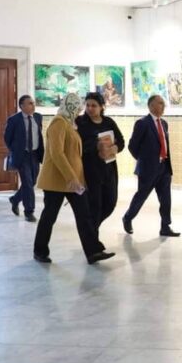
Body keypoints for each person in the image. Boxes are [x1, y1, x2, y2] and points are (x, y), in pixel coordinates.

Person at [33, 93, 115, 265]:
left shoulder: (71, 124)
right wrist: (71, 177)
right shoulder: (58, 123)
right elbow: (57, 153)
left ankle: (93, 252)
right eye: (77, 108)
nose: (79, 111)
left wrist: (78, 178)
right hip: (57, 181)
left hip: (74, 182)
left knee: (84, 215)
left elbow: (75, 155)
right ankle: (40, 251)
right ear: (69, 106)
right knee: (49, 216)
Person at [122, 94, 180, 237]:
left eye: (163, 103)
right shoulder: (142, 123)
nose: (163, 106)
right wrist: (144, 160)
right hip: (148, 169)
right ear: (151, 106)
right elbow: (132, 146)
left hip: (164, 168)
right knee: (141, 197)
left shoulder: (164, 123)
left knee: (166, 199)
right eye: (160, 103)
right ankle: (128, 218)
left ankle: (165, 226)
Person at [76, 92, 125, 240]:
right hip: (90, 170)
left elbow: (121, 141)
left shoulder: (108, 122)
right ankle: (93, 241)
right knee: (95, 206)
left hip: (109, 169)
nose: (90, 108)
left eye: (94, 105)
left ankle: (91, 229)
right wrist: (95, 146)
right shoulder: (80, 122)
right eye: (88, 105)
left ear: (102, 107)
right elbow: (78, 145)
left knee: (110, 203)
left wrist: (115, 148)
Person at [4, 95, 44, 222]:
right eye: (30, 103)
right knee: (27, 183)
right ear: (22, 106)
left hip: (35, 154)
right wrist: (16, 150)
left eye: (33, 103)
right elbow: (7, 138)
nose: (33, 105)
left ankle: (15, 199)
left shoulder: (38, 117)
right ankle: (29, 211)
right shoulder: (14, 120)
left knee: (32, 182)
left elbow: (38, 135)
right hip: (22, 155)